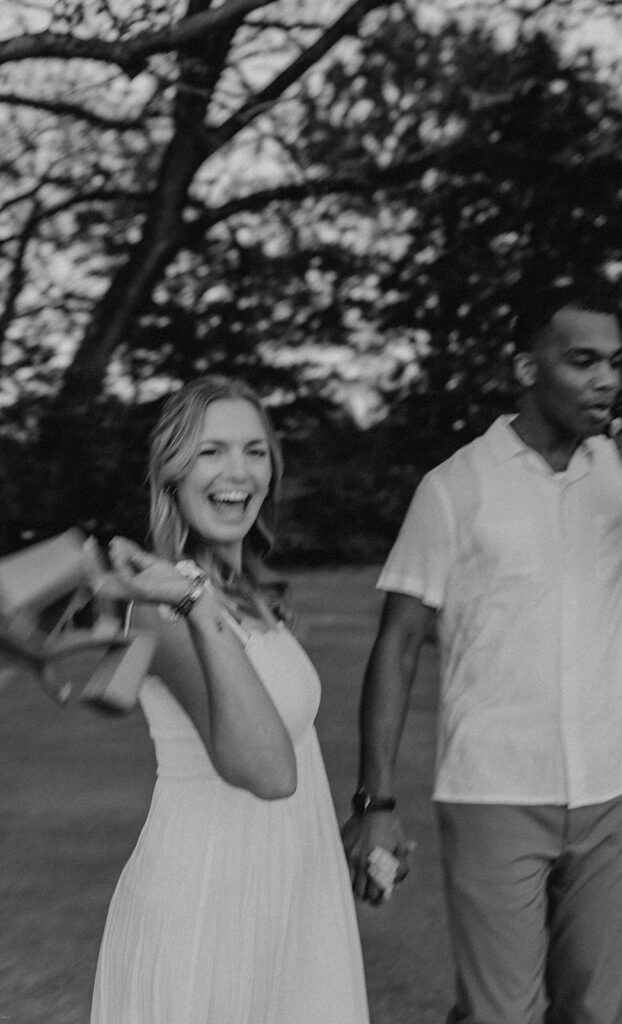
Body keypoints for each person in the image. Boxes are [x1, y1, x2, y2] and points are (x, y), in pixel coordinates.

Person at [341, 281, 622, 1024]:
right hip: (495, 788)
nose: (607, 380)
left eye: (615, 363)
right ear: (528, 370)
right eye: (582, 361)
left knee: (593, 1010)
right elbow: (397, 643)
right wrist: (375, 803)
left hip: (613, 781)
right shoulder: (454, 488)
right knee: (500, 1014)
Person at [90, 376, 370, 1024]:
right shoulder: (168, 604)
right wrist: (194, 604)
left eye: (254, 450)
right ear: (171, 472)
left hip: (284, 898)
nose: (236, 471)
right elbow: (267, 771)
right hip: (207, 909)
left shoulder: (250, 593)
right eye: (210, 451)